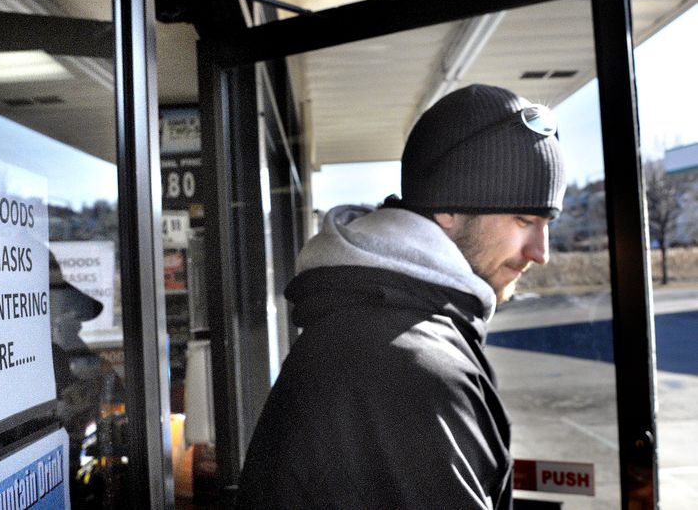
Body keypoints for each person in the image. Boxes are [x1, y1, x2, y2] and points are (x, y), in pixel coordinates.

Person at [235, 84, 566, 509]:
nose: (542, 252)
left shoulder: (386, 324)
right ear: (449, 209)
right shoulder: (408, 362)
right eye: (525, 219)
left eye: (547, 223)